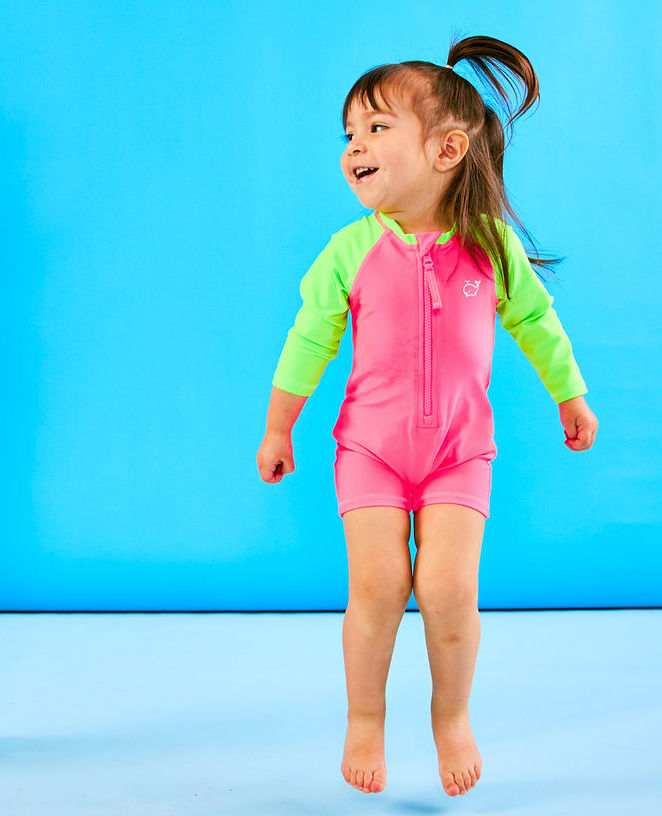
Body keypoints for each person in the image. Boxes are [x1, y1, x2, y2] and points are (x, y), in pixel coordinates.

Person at [256, 33, 599, 798]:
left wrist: (569, 396)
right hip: (370, 448)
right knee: (377, 586)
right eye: (349, 133)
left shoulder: (490, 248)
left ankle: (451, 715)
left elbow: (538, 325)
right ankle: (366, 717)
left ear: (446, 150)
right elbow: (309, 335)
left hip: (459, 450)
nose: (355, 147)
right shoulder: (349, 250)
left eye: (377, 129)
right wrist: (280, 426)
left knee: (446, 590)